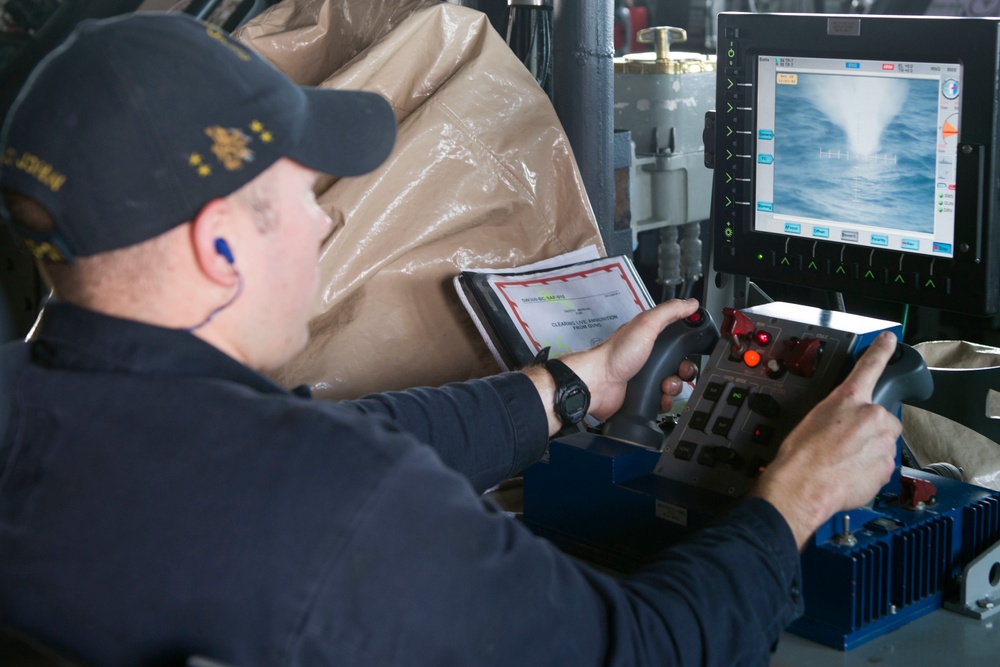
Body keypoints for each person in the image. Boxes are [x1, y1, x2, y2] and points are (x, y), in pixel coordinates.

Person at [0, 12, 901, 667]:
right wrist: (795, 499)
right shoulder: (333, 505)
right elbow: (645, 648)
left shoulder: (32, 404)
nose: (320, 229)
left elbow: (327, 439)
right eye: (300, 197)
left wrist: (572, 386)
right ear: (219, 243)